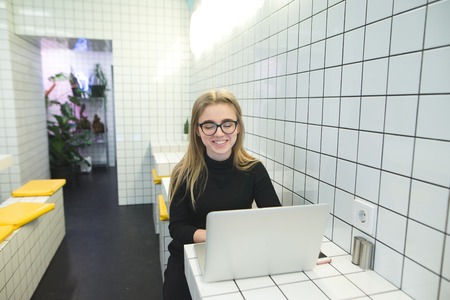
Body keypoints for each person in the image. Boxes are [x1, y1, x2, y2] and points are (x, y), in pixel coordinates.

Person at [162, 89, 281, 300]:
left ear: (238, 127)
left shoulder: (254, 169)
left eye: (227, 124)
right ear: (197, 130)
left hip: (236, 257)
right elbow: (177, 228)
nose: (219, 133)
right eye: (209, 125)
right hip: (188, 259)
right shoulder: (184, 173)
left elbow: (275, 218)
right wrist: (218, 238)